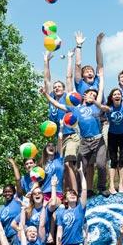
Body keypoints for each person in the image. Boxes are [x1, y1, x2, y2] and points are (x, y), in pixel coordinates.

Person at [41, 66, 108, 197]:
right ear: (84, 96)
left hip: (98, 139)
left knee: (100, 164)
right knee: (81, 167)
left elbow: (103, 99)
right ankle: (80, 191)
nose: (92, 96)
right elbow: (57, 104)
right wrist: (45, 95)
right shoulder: (75, 109)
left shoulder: (96, 106)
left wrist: (100, 81)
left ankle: (102, 187)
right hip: (84, 142)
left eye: (94, 95)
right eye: (90, 94)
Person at [93, 84, 123, 194]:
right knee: (113, 160)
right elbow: (101, 107)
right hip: (112, 135)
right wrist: (94, 101)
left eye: (118, 94)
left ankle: (120, 185)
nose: (117, 95)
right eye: (114, 94)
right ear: (111, 97)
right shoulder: (109, 108)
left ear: (121, 96)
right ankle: (111, 185)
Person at [44, 49, 79, 192]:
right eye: (55, 87)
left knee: (68, 163)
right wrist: (46, 61)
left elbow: (69, 77)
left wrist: (70, 58)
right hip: (58, 138)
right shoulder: (51, 99)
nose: (57, 88)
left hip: (70, 136)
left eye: (59, 86)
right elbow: (47, 80)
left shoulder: (67, 98)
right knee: (60, 167)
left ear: (64, 89)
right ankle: (64, 193)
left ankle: (75, 192)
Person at [56, 163, 87, 245]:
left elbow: (84, 190)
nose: (72, 195)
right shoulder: (61, 212)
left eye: (74, 194)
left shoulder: (80, 209)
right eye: (70, 194)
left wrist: (81, 173)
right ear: (65, 199)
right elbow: (59, 231)